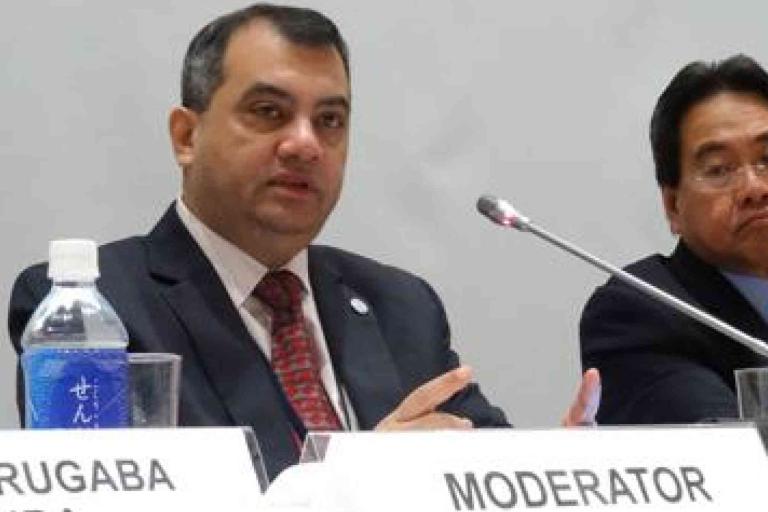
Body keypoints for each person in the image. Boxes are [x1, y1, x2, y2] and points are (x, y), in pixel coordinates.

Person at [9, 4, 599, 480]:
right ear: (187, 135)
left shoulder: (402, 305)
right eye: (269, 112)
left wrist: (550, 474)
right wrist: (349, 484)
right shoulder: (96, 309)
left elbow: (478, 463)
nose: (305, 144)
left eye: (330, 121)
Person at [580, 54, 768, 425]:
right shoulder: (639, 313)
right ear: (672, 206)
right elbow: (727, 459)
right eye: (719, 169)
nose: (755, 187)